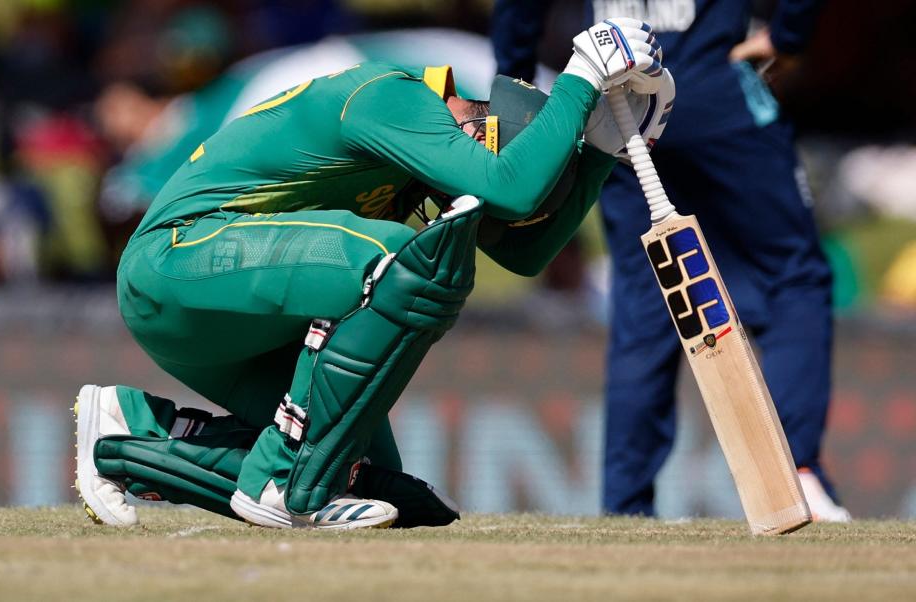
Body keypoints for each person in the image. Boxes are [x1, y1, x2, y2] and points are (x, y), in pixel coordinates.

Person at [75, 20, 672, 529]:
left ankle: (131, 436)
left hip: (224, 315)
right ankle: (284, 480)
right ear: (481, 132)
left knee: (377, 490)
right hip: (177, 260)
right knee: (401, 258)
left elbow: (523, 253)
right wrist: (582, 75)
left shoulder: (432, 153)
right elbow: (510, 191)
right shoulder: (390, 95)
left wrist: (596, 151)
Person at [493, 0, 850, 521]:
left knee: (645, 302)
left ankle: (625, 505)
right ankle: (798, 474)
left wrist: (517, 89)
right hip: (711, 90)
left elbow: (516, 12)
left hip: (617, 104)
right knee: (793, 278)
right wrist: (790, 33)